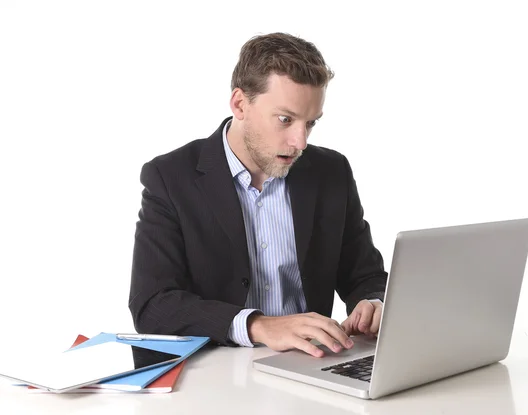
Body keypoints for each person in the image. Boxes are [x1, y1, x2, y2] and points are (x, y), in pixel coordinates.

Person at [128, 32, 387, 358]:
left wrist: (373, 302)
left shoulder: (331, 171)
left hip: (310, 367)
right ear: (240, 104)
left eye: (310, 124)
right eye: (285, 119)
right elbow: (152, 305)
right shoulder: (170, 178)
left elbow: (365, 275)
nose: (300, 141)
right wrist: (257, 325)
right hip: (216, 374)